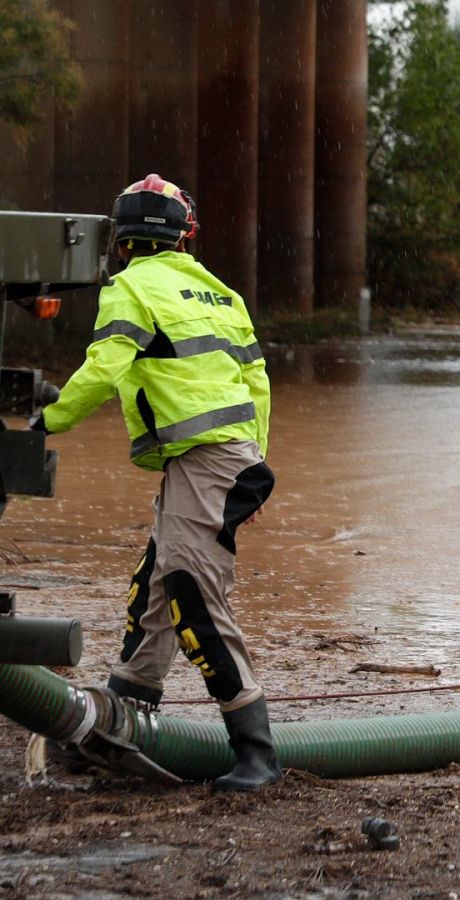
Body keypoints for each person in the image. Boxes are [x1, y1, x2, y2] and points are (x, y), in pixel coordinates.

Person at [32, 174, 280, 791]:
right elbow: (259, 387)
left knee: (192, 596)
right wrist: (252, 464)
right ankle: (123, 716)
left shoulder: (129, 290)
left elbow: (104, 366)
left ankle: (257, 753)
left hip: (204, 463)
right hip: (226, 458)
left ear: (122, 243)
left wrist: (48, 419)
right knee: (157, 588)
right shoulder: (221, 293)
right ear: (183, 237)